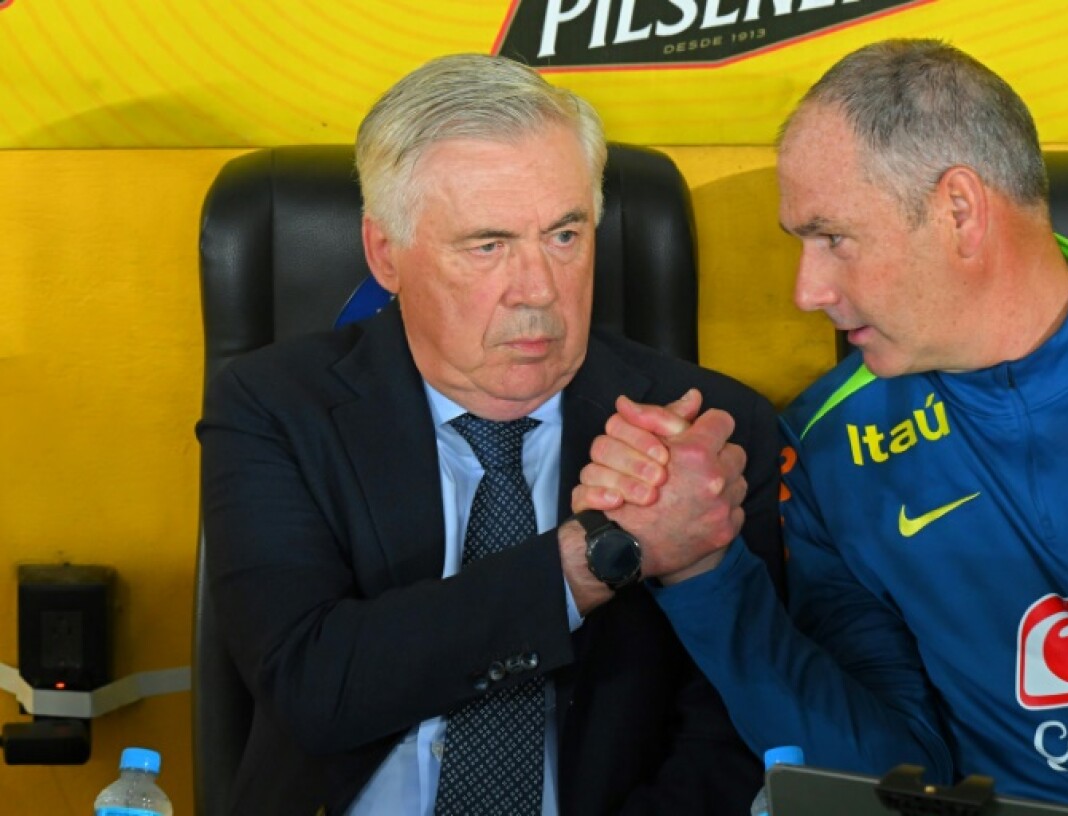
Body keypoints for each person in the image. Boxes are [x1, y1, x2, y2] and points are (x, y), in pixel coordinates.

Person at [574, 39, 1068, 816]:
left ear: (959, 211)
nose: (807, 291)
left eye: (834, 239)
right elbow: (878, 777)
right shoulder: (828, 448)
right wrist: (704, 572)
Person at [197, 53, 783, 815]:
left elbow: (738, 739)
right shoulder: (276, 407)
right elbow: (315, 686)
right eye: (489, 245)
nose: (539, 288)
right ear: (386, 254)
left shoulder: (709, 430)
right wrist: (597, 556)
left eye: (566, 235)